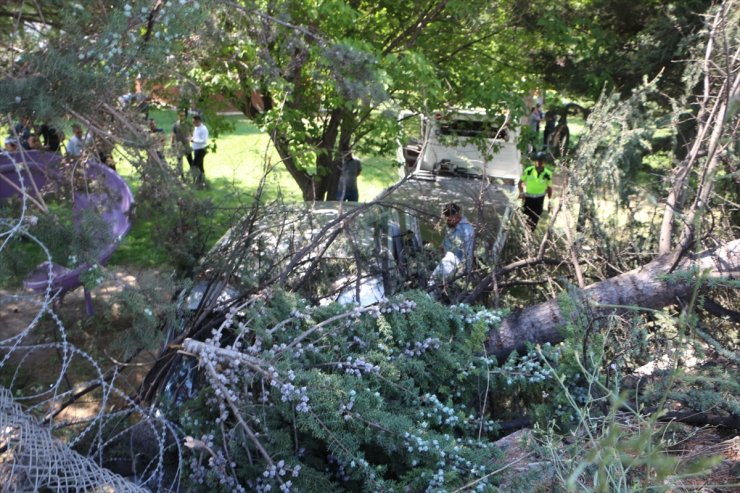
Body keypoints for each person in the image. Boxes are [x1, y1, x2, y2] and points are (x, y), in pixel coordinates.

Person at [429, 203, 475, 285]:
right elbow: (448, 236)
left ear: (457, 214)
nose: (448, 221)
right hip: (445, 257)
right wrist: (442, 245)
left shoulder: (467, 231)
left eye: (450, 219)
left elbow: (469, 253)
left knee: (434, 281)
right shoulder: (451, 223)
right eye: (447, 219)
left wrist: (466, 273)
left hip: (454, 260)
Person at [518, 152, 553, 230]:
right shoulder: (528, 170)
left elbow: (549, 188)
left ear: (544, 162)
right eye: (538, 161)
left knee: (534, 219)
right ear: (535, 161)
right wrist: (521, 192)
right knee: (525, 217)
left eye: (541, 161)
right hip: (528, 198)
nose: (539, 163)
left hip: (539, 200)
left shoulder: (548, 174)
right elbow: (520, 182)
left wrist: (550, 200)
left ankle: (529, 236)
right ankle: (523, 234)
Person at [171, 111, 193, 178]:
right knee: (180, 163)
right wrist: (172, 143)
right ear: (178, 116)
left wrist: (191, 139)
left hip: (187, 146)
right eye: (180, 115)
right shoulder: (175, 125)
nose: (181, 117)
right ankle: (182, 177)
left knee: (191, 161)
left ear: (185, 116)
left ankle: (194, 176)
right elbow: (173, 135)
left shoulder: (188, 124)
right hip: (179, 146)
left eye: (183, 115)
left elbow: (192, 133)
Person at [190, 114, 208, 187]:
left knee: (194, 166)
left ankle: (197, 181)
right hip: (196, 149)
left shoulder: (203, 129)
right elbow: (195, 137)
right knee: (200, 167)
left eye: (194, 122)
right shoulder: (196, 128)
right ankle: (201, 181)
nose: (193, 123)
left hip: (201, 150)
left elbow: (204, 141)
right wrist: (191, 137)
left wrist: (193, 140)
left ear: (198, 121)